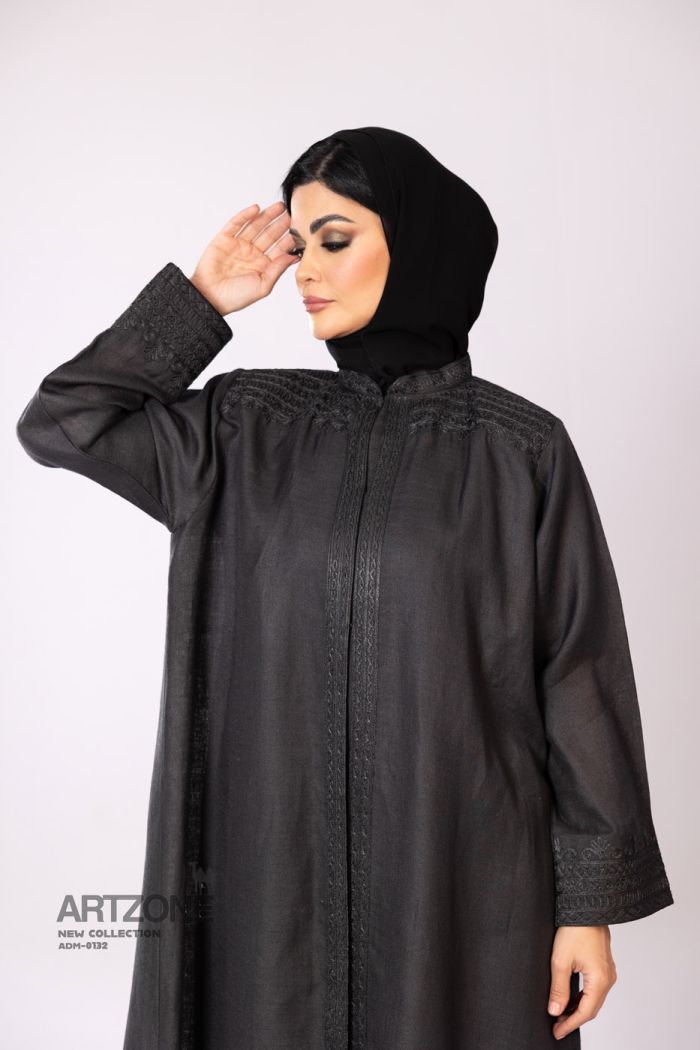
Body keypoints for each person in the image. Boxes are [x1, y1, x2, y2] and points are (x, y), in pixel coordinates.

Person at [16, 126, 673, 1049]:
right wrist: (199, 303)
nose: (306, 271)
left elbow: (579, 680)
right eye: (300, 243)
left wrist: (587, 911)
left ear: (418, 245)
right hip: (265, 883)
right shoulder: (239, 430)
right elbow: (62, 423)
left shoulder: (520, 450)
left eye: (335, 239)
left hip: (465, 884)